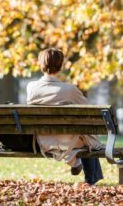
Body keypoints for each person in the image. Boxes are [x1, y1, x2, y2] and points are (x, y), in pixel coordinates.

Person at [26, 48, 104, 185]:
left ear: (41, 64)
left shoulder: (31, 88)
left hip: (43, 141)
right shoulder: (70, 90)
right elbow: (89, 111)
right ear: (61, 66)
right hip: (67, 141)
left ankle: (75, 161)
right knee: (88, 138)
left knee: (80, 135)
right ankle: (88, 176)